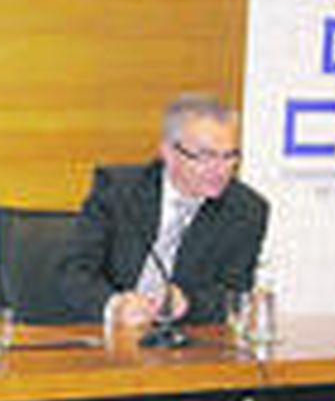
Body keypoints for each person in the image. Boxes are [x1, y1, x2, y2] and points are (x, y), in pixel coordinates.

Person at [57, 93, 269, 329]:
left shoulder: (246, 210)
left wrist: (187, 303)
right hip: (103, 336)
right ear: (168, 152)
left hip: (184, 348)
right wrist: (114, 305)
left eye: (230, 156)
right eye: (206, 156)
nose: (220, 170)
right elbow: (73, 272)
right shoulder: (118, 191)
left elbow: (235, 294)